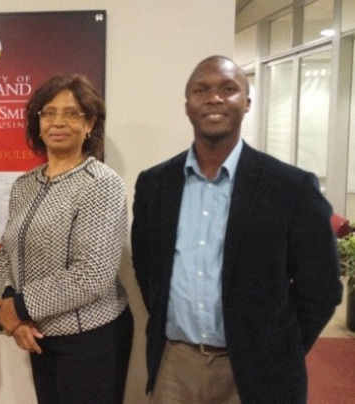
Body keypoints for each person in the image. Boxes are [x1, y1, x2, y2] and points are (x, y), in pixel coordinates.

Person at [131, 55, 343, 403]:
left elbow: (320, 290)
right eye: (201, 90)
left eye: (228, 89)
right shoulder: (155, 184)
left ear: (246, 103)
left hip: (258, 371)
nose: (214, 98)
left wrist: (279, 348)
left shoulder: (291, 188)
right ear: (187, 106)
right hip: (175, 366)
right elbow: (147, 268)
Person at [0, 74, 133, 404]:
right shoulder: (24, 184)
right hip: (40, 335)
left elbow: (92, 275)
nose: (58, 122)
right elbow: (5, 253)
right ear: (37, 122)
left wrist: (20, 308)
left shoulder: (101, 184)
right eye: (48, 112)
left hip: (91, 340)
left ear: (90, 124)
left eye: (72, 113)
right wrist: (12, 306)